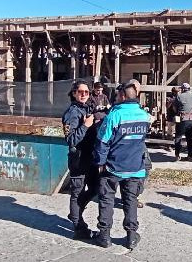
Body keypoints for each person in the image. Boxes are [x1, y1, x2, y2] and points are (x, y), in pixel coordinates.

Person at [93, 81, 152, 249]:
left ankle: (104, 236)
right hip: (135, 167)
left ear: (123, 96)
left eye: (118, 95)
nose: (116, 98)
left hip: (113, 166)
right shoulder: (143, 115)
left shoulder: (115, 115)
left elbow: (103, 141)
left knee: (106, 199)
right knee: (130, 201)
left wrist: (100, 162)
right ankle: (131, 236)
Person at [61, 80, 99, 240]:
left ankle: (75, 212)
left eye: (87, 92)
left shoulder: (85, 109)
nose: (84, 95)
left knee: (96, 188)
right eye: (80, 92)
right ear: (74, 93)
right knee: (77, 192)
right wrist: (86, 126)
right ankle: (79, 227)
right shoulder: (72, 113)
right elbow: (71, 139)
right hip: (78, 159)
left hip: (89, 158)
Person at [173, 83, 192, 161]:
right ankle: (190, 156)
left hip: (182, 119)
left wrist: (178, 112)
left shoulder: (179, 96)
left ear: (182, 89)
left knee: (178, 137)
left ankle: (177, 156)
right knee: (189, 138)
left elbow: (174, 107)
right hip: (191, 119)